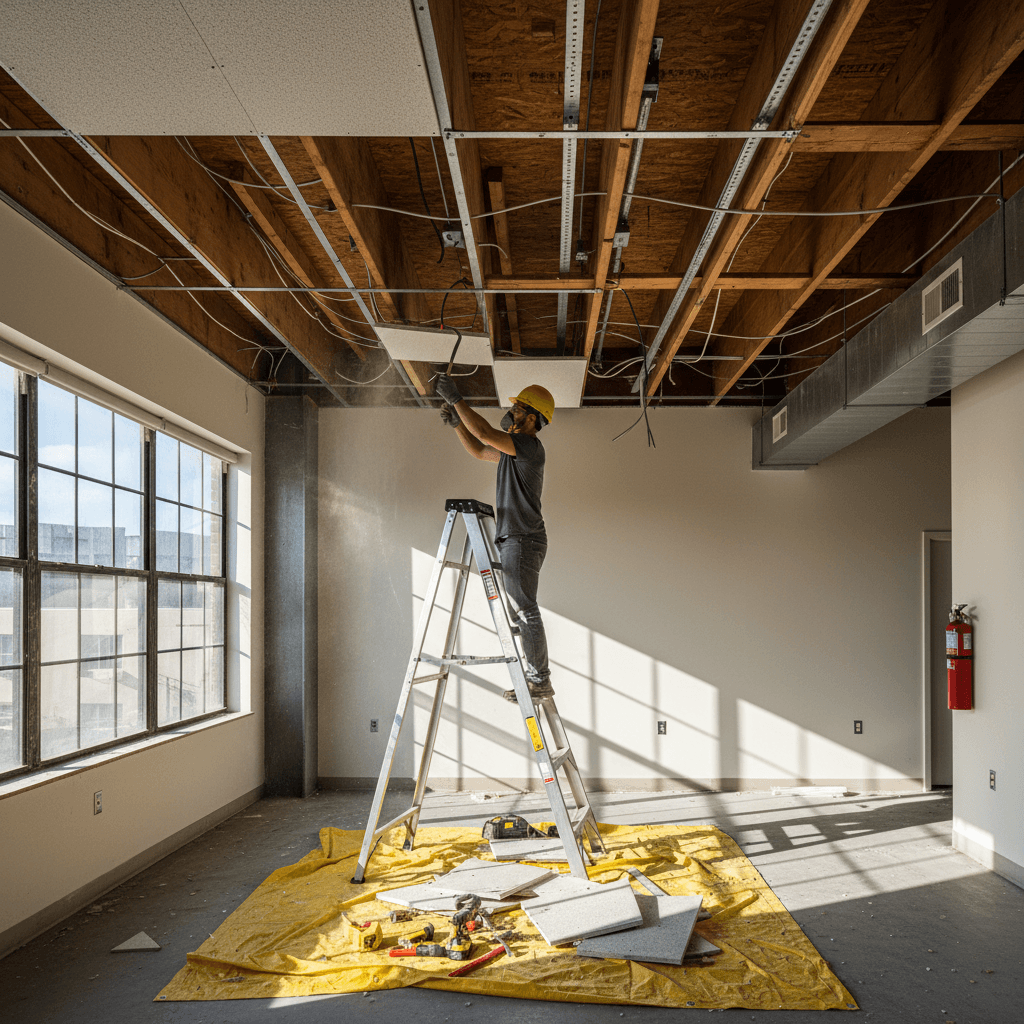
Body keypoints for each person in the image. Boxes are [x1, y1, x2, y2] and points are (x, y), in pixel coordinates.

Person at [435, 373, 555, 703]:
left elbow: (486, 433)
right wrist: (457, 424)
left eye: (518, 409)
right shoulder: (510, 453)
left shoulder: (529, 447)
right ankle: (536, 677)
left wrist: (456, 399)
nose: (511, 412)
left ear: (532, 418)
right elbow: (478, 449)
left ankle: (539, 680)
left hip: (522, 538)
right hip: (517, 538)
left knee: (524, 610)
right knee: (521, 611)